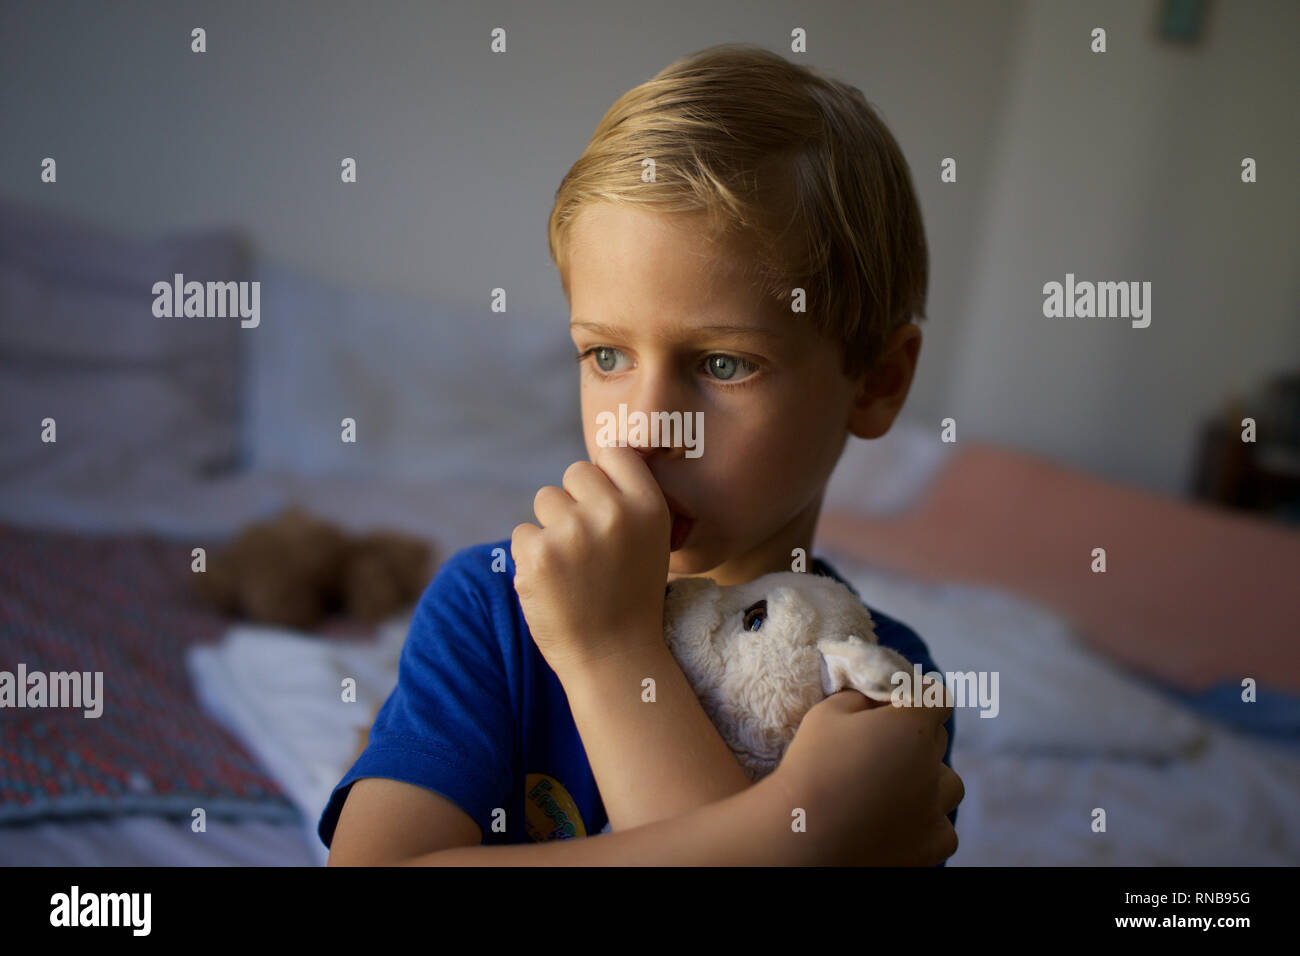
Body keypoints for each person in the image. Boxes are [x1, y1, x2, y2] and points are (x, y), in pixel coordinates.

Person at [321, 42, 963, 865]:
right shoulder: (495, 610)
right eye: (607, 356)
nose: (644, 427)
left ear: (876, 382)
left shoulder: (875, 673)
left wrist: (613, 655)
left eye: (723, 364)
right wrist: (786, 837)